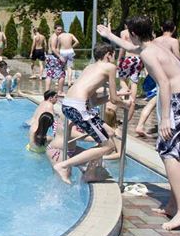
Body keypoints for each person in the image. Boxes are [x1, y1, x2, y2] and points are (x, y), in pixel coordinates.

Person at [99, 17, 180, 231]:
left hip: (179, 101)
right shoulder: (154, 45)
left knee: (168, 152)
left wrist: (165, 118)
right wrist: (109, 36)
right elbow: (131, 47)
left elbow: (164, 82)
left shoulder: (147, 53)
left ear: (134, 33)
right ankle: (174, 205)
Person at [51, 43, 129, 185]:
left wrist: (117, 95)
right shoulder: (110, 67)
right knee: (108, 146)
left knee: (109, 134)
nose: (115, 58)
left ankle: (90, 173)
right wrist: (125, 104)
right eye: (114, 55)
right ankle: (63, 165)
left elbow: (93, 102)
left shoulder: (89, 67)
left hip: (69, 105)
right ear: (108, 55)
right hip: (79, 108)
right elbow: (114, 100)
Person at [135, 20, 180, 137]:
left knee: (154, 101)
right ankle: (141, 125)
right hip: (165, 75)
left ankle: (141, 124)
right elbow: (177, 57)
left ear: (161, 28)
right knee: (155, 101)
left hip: (154, 74)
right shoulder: (174, 41)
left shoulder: (155, 41)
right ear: (174, 28)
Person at [116, 23, 144, 123]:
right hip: (138, 58)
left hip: (128, 58)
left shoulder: (124, 32)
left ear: (125, 25)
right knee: (134, 81)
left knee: (122, 79)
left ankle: (126, 91)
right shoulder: (139, 32)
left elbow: (122, 47)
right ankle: (132, 99)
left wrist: (119, 59)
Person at [44, 25, 66, 93]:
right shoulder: (55, 37)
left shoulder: (54, 36)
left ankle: (47, 91)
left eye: (61, 30)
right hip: (54, 57)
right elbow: (53, 48)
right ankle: (60, 91)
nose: (60, 31)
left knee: (49, 74)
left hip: (50, 57)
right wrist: (60, 56)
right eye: (58, 30)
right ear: (55, 30)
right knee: (62, 74)